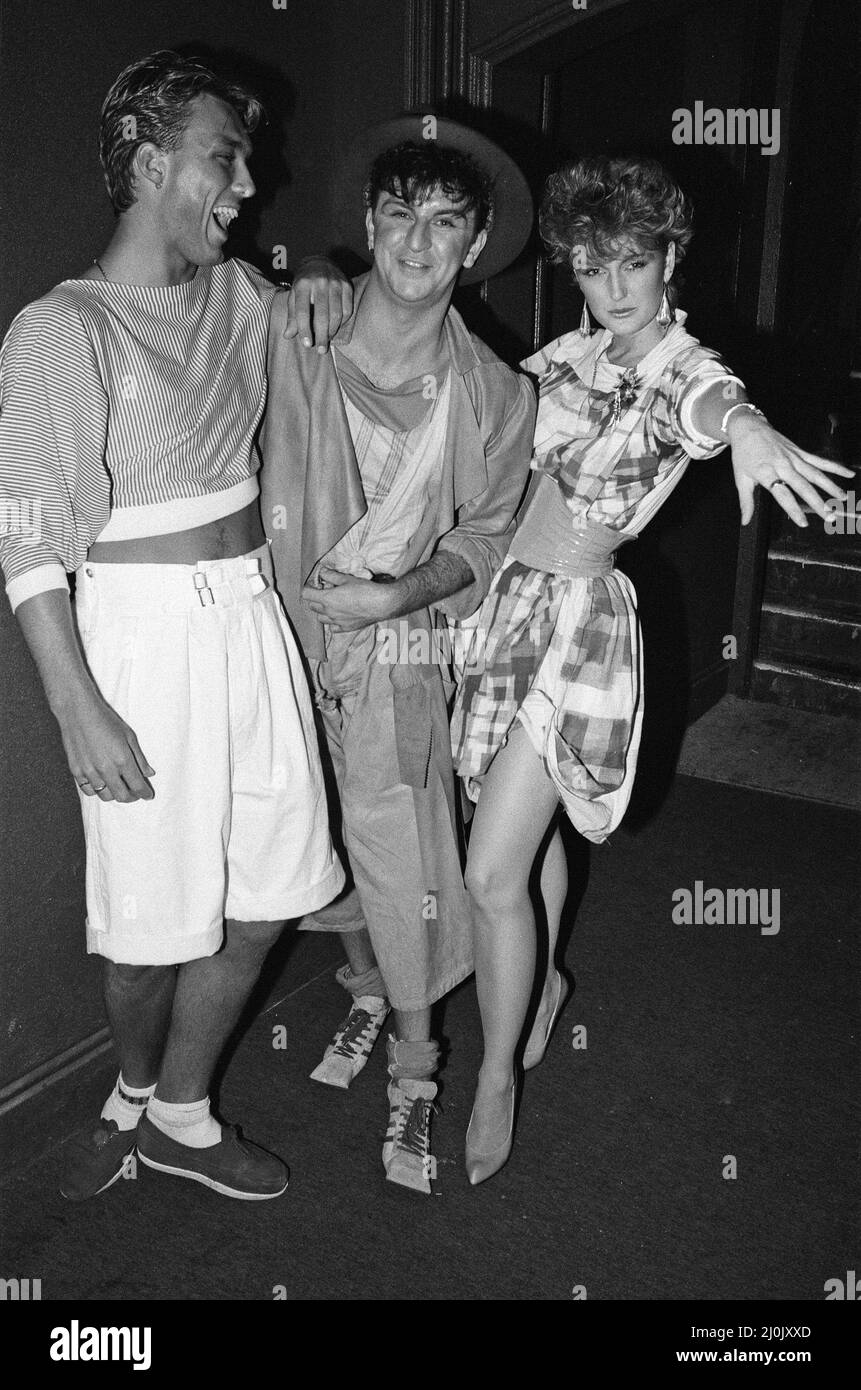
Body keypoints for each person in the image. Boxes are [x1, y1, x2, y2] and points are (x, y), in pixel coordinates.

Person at [451, 156, 852, 1185]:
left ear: (670, 258)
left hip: (580, 628)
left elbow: (710, 402)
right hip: (507, 608)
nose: (614, 283)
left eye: (632, 260)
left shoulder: (679, 362)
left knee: (489, 872)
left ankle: (496, 1072)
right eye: (592, 263)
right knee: (518, 831)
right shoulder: (568, 351)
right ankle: (539, 987)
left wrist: (750, 428)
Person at [0, 51, 355, 1202]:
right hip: (141, 641)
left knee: (267, 897)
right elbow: (25, 532)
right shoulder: (61, 328)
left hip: (250, 615)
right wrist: (76, 706)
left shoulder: (242, 293)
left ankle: (183, 1116)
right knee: (151, 933)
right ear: (152, 165)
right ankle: (137, 1089)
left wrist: (329, 285)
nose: (250, 181)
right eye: (225, 157)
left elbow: (324, 324)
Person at [260, 116, 536, 1193]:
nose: (419, 242)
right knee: (311, 838)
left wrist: (402, 590)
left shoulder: (498, 394)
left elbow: (486, 534)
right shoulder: (295, 328)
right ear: (370, 224)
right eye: (399, 214)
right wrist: (311, 272)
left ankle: (416, 1084)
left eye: (446, 223)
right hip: (278, 636)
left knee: (408, 860)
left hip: (405, 654)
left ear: (474, 248)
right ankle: (367, 988)